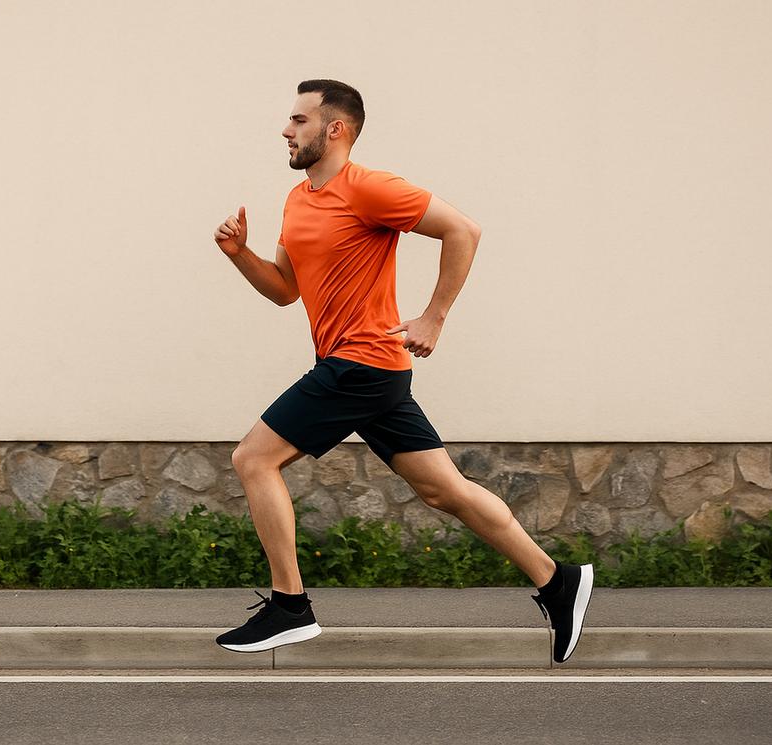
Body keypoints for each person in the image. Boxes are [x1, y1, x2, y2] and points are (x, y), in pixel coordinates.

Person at [211, 79, 593, 664]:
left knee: (252, 458)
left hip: (360, 362)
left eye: (298, 120)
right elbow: (286, 291)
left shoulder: (369, 188)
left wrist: (435, 317)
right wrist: (241, 256)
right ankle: (557, 580)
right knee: (446, 492)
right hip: (369, 370)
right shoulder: (297, 200)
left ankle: (291, 606)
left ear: (334, 129)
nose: (286, 131)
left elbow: (463, 229)